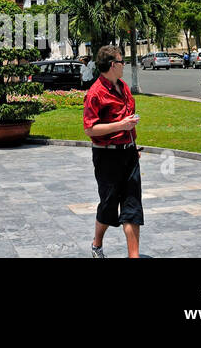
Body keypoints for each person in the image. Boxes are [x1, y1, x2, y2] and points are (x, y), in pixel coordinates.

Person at [83, 45, 142, 258]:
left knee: (132, 206)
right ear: (112, 65)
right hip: (106, 156)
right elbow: (90, 128)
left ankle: (133, 256)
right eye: (121, 61)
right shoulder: (95, 93)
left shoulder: (123, 87)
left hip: (128, 154)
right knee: (108, 206)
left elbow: (129, 122)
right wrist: (120, 126)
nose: (124, 65)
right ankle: (97, 243)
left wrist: (133, 146)